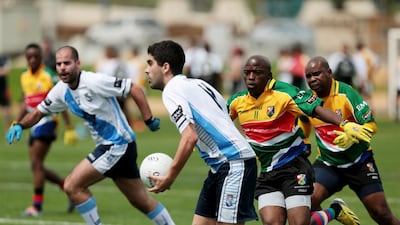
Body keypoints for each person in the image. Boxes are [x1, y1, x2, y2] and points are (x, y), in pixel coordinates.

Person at [6, 45, 175, 225]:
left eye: (67, 63)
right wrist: (19, 125)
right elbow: (38, 112)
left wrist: (148, 119)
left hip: (117, 145)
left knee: (72, 186)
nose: (62, 67)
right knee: (141, 202)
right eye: (59, 64)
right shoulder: (60, 91)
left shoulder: (93, 81)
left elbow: (134, 88)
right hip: (117, 147)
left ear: (77, 63)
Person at [227, 55, 372, 225]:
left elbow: (316, 109)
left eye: (257, 72)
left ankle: (333, 211)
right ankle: (335, 211)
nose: (251, 77)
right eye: (247, 72)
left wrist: (344, 124)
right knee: (273, 222)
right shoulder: (237, 101)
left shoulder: (284, 93)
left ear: (269, 76)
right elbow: (219, 122)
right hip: (267, 171)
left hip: (293, 167)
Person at [145, 40, 258, 225]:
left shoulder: (172, 90)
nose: (146, 70)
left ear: (165, 67)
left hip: (233, 164)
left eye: (150, 63)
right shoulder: (198, 84)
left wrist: (170, 175)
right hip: (221, 166)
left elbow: (190, 137)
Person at [299, 56, 400, 225]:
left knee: (381, 213)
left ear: (329, 73)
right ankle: (335, 212)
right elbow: (304, 121)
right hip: (328, 164)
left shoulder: (346, 94)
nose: (312, 79)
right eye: (308, 76)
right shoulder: (308, 100)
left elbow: (371, 125)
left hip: (359, 162)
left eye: (317, 74)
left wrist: (352, 135)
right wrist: (306, 143)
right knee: (305, 206)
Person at [13, 43, 78, 216]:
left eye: (36, 57)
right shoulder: (24, 77)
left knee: (36, 164)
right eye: (30, 57)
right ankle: (68, 188)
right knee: (37, 166)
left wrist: (69, 126)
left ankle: (37, 206)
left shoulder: (49, 75)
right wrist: (17, 122)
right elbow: (25, 103)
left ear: (41, 58)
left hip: (48, 122)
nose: (33, 60)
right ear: (26, 58)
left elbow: (61, 100)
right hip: (32, 123)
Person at [0, 53, 12, 130]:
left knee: (7, 111)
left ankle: (9, 130)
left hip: (3, 90)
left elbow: (6, 71)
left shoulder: (3, 59)